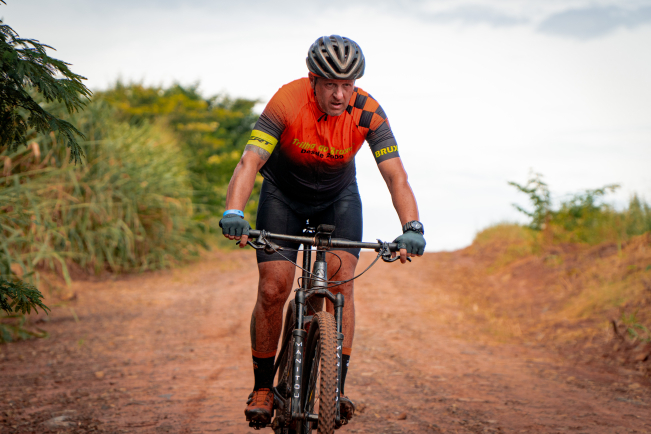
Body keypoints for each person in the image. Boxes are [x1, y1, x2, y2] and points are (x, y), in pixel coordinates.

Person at [219, 35, 426, 427]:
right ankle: (263, 387)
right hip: (283, 197)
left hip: (338, 198)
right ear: (312, 79)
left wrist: (412, 227)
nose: (339, 94)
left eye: (347, 85)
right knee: (273, 288)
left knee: (340, 285)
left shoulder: (367, 112)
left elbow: (395, 175)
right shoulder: (287, 101)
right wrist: (234, 211)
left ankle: (335, 389)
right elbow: (250, 161)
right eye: (330, 84)